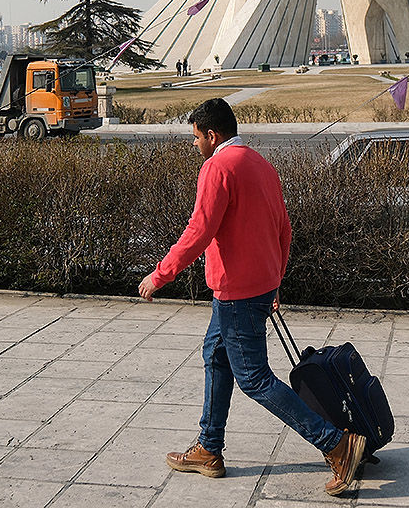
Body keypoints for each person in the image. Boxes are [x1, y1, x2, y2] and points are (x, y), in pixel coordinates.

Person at [138, 98, 366, 496]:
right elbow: (283, 228)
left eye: (196, 138)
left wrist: (161, 275)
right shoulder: (260, 163)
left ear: (213, 135)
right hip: (257, 286)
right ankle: (209, 448)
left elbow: (199, 231)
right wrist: (274, 280)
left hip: (236, 292)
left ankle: (337, 444)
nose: (195, 146)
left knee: (255, 379)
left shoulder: (218, 167)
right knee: (216, 356)